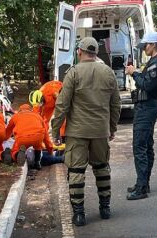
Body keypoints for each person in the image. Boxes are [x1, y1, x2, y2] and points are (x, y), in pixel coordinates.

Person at [51, 37, 121, 226]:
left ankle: (79, 214)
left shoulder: (73, 73)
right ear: (96, 53)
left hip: (77, 132)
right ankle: (105, 208)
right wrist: (111, 128)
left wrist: (55, 131)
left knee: (76, 171)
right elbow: (116, 105)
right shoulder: (108, 72)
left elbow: (62, 105)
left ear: (79, 52)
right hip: (100, 131)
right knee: (102, 168)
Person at [125, 31, 157, 200]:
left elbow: (147, 86)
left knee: (140, 147)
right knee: (146, 146)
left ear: (154, 45)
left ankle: (142, 188)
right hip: (145, 107)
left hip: (147, 107)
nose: (144, 48)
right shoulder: (153, 62)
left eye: (145, 45)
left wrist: (134, 73)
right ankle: (143, 183)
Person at [5, 104, 50, 169]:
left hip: (22, 138)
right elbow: (46, 135)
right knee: (38, 146)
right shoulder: (38, 116)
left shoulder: (15, 116)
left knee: (15, 149)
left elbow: (8, 130)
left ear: (19, 110)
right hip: (38, 137)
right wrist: (50, 149)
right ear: (31, 110)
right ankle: (37, 162)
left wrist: (5, 138)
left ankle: (17, 154)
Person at [29, 80, 66, 152]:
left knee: (60, 119)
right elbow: (36, 118)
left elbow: (62, 102)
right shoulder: (37, 103)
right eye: (38, 105)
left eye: (40, 103)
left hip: (60, 101)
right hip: (48, 105)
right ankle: (48, 140)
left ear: (42, 97)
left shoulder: (52, 90)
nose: (39, 106)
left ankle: (62, 137)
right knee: (44, 121)